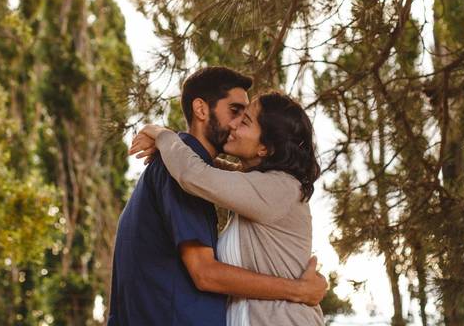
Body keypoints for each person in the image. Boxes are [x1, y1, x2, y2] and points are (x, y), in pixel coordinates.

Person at [107, 67, 327, 326]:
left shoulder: (278, 188)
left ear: (265, 147)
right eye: (235, 112)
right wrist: (173, 144)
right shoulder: (185, 170)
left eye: (245, 120)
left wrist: (162, 134)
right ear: (201, 110)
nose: (236, 124)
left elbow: (197, 173)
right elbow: (203, 171)